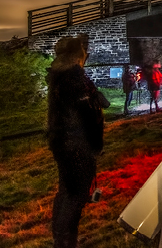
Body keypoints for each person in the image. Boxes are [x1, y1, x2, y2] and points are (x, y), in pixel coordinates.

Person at [46, 36, 107, 248]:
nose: (86, 53)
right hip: (76, 144)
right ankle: (65, 242)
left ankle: (63, 240)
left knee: (67, 192)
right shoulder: (73, 79)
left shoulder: (61, 77)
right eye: (83, 50)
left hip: (64, 141)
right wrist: (94, 144)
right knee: (75, 195)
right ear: (75, 55)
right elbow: (85, 115)